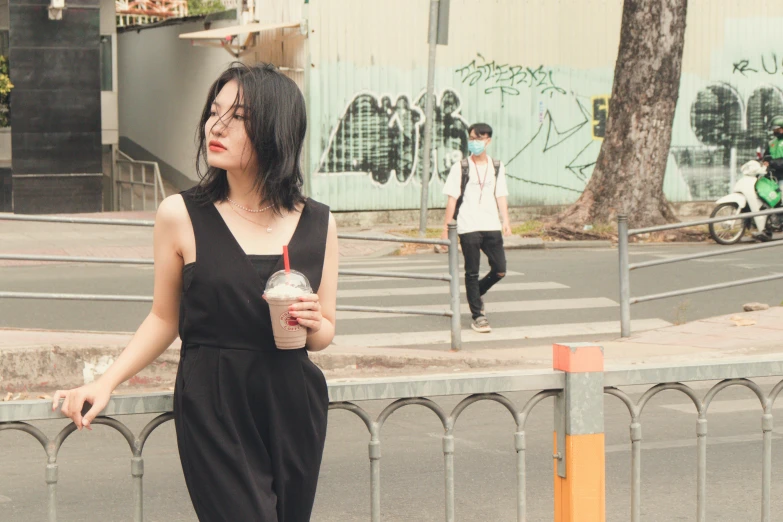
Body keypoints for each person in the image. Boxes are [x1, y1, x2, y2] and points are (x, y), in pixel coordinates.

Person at [52, 63, 338, 521]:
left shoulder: (319, 222)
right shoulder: (180, 214)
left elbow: (324, 333)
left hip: (293, 400)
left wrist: (312, 320)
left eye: (238, 116)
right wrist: (106, 380)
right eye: (214, 111)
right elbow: (164, 318)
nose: (216, 125)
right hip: (215, 401)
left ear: (276, 130)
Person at [440, 123, 511, 333]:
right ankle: (478, 316)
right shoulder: (460, 167)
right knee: (471, 272)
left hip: (491, 224)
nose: (474, 142)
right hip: (467, 225)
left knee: (500, 269)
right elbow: (452, 199)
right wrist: (445, 228)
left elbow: (501, 194)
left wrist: (505, 219)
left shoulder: (497, 166)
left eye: (479, 139)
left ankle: (475, 293)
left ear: (488, 141)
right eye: (471, 138)